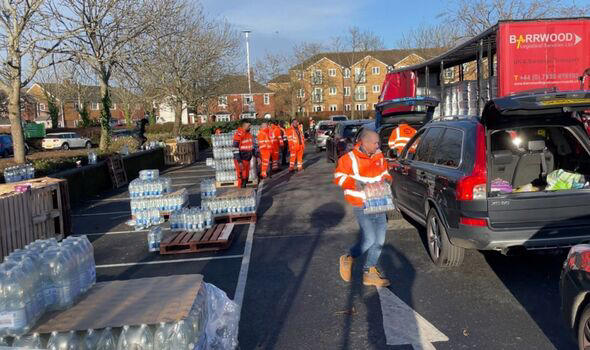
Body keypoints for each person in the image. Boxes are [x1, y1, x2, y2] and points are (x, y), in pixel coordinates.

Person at [334, 130, 392, 287]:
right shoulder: (349, 158)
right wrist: (355, 184)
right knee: (370, 239)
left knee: (379, 241)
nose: (378, 145)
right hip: (361, 204)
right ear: (365, 143)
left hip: (379, 202)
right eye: (375, 143)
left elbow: (385, 173)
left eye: (378, 143)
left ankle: (369, 272)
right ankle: (348, 257)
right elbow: (339, 177)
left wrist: (386, 180)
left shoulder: (379, 156)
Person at [233, 121, 254, 188]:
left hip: (247, 158)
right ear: (244, 126)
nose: (250, 127)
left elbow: (251, 146)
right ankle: (240, 192)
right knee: (241, 177)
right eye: (248, 126)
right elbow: (235, 148)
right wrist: (239, 161)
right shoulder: (238, 134)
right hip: (241, 158)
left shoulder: (249, 134)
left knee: (246, 177)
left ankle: (244, 189)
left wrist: (256, 155)